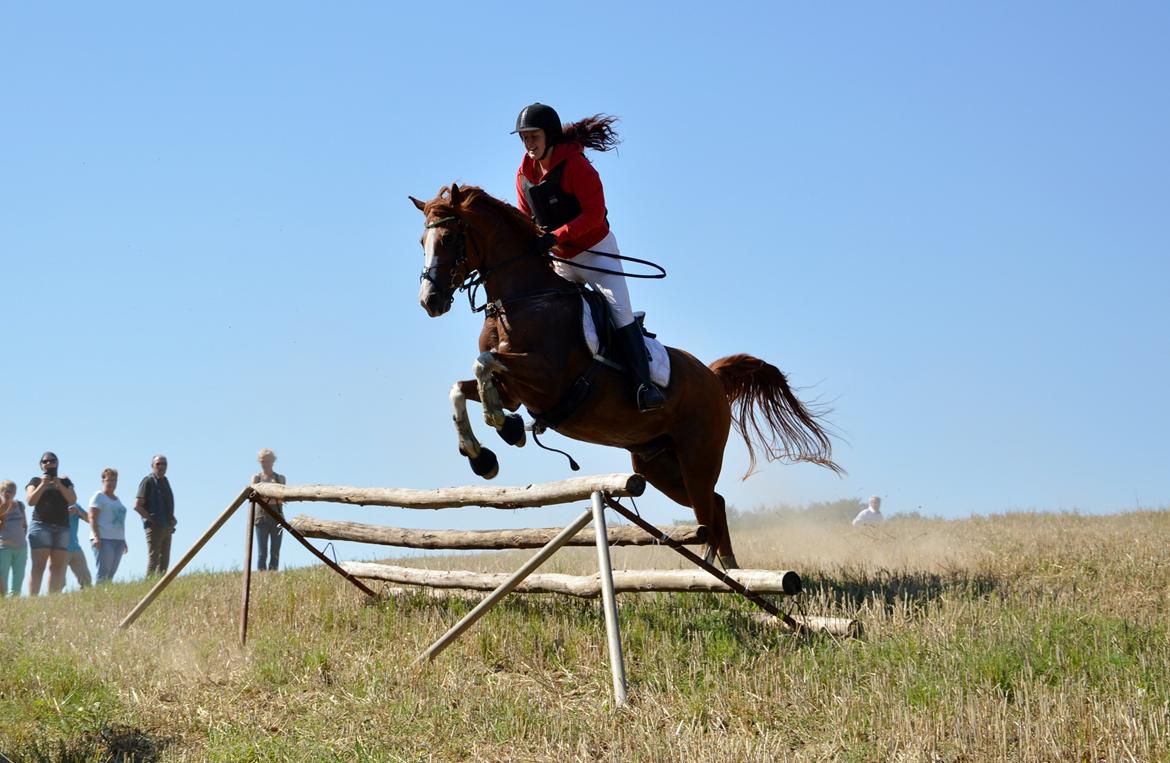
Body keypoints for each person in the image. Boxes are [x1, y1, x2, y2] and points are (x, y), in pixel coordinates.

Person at [512, 102, 666, 413]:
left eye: (533, 136)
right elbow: (524, 216)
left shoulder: (578, 167)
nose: (529, 144)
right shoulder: (524, 174)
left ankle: (644, 387)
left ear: (550, 135)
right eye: (524, 138)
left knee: (620, 313)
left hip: (597, 253)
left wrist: (556, 236)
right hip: (562, 261)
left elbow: (594, 216)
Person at [25, 451, 77, 594]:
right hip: (41, 526)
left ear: (57, 462)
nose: (48, 463)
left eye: (52, 460)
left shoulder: (65, 481)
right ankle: (33, 600)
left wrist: (59, 485)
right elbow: (30, 501)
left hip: (62, 528)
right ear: (41, 465)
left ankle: (51, 599)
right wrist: (43, 484)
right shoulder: (35, 480)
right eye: (45, 461)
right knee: (38, 566)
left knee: (57, 566)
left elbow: (72, 500)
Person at [134, 454, 175, 576]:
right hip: (154, 526)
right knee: (154, 558)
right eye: (158, 464)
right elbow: (137, 505)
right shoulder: (148, 481)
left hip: (166, 525)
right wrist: (151, 519)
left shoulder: (165, 481)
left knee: (165, 559)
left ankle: (161, 583)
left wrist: (171, 519)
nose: (161, 466)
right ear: (152, 466)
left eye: (164, 464)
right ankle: (149, 586)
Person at [89, 467, 129, 583]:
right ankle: (97, 597)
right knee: (104, 571)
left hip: (118, 540)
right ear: (103, 481)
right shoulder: (99, 496)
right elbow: (92, 517)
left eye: (114, 480)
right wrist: (96, 536)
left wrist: (124, 540)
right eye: (109, 480)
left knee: (112, 572)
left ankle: (106, 596)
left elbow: (119, 522)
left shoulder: (117, 500)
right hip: (104, 538)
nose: (112, 483)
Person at [250, 448, 286, 571]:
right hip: (260, 519)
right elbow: (253, 498)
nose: (264, 464)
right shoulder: (256, 478)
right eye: (262, 461)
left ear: (273, 461)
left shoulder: (280, 478)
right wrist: (272, 499)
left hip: (277, 518)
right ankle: (261, 575)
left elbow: (283, 498)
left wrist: (264, 499)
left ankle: (273, 573)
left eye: (267, 461)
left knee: (275, 550)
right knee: (262, 551)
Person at [0, 480, 29, 597]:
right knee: (3, 578)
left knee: (18, 578)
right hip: (4, 548)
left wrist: (22, 536)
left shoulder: (20, 505)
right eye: (5, 491)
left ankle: (15, 600)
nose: (8, 493)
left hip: (21, 548)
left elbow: (25, 524)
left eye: (11, 491)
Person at [66, 502, 93, 589]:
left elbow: (89, 519)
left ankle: (87, 601)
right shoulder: (52, 504)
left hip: (75, 547)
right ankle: (53, 602)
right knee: (58, 583)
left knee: (86, 581)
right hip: (58, 549)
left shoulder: (75, 505)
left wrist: (78, 512)